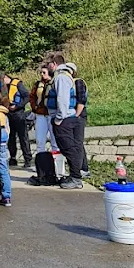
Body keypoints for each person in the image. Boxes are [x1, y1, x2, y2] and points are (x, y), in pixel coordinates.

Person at [46, 60, 86, 189]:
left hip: (64, 119)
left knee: (68, 149)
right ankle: (75, 175)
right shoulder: (68, 78)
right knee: (71, 148)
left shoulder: (61, 78)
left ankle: (76, 178)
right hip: (70, 118)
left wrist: (58, 119)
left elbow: (62, 99)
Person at [1, 72, 33, 168]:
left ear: (7, 77)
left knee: (23, 137)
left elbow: (27, 96)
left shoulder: (17, 84)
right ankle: (13, 158)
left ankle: (27, 159)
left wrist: (18, 106)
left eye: (3, 79)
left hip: (19, 114)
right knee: (11, 137)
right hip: (9, 114)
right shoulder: (3, 87)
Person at [28, 65, 59, 155]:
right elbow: (32, 97)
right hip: (40, 114)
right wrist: (35, 107)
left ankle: (56, 163)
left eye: (44, 72)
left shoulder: (55, 83)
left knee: (55, 141)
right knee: (40, 141)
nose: (42, 74)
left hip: (52, 115)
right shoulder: (37, 84)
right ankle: (41, 164)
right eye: (41, 72)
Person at [70, 62, 91, 179]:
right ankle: (79, 167)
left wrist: (76, 115)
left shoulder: (78, 82)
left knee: (78, 143)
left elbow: (81, 100)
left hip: (78, 115)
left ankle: (83, 168)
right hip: (73, 115)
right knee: (76, 143)